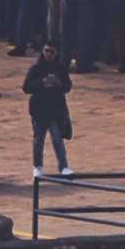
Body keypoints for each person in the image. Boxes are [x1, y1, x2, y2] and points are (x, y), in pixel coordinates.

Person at [24, 41, 75, 178]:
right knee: (38, 141)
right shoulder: (36, 69)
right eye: (46, 51)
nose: (48, 54)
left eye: (51, 51)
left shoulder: (61, 68)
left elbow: (67, 86)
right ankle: (38, 166)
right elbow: (26, 87)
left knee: (58, 140)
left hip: (55, 110)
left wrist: (58, 83)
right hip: (39, 110)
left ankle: (63, 166)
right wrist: (42, 82)